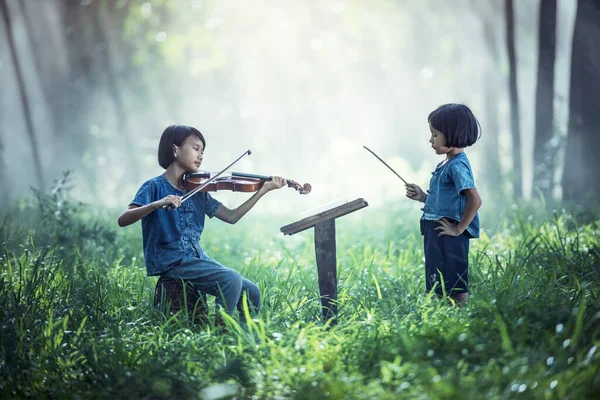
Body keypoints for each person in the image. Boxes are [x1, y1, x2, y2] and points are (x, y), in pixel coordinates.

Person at [117, 124, 286, 317]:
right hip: (173, 262)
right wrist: (157, 204)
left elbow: (232, 217)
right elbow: (123, 219)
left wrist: (262, 191)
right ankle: (220, 329)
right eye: (195, 148)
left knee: (252, 292)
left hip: (196, 259)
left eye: (202, 151)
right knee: (230, 279)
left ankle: (245, 337)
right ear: (175, 149)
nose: (201, 155)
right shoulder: (153, 187)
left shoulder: (198, 190)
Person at [405, 104, 483, 306]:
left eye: (435, 134)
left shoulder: (457, 165)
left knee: (454, 283)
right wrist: (423, 196)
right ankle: (443, 316)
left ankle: (459, 315)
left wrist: (458, 229)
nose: (431, 140)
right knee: (437, 281)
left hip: (450, 235)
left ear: (452, 134)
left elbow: (474, 199)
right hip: (437, 231)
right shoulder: (445, 164)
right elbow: (445, 199)